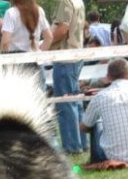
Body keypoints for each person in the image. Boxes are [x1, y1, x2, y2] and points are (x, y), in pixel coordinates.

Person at [50, 0, 88, 155]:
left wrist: (44, 45)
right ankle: (82, 142)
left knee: (66, 104)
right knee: (75, 102)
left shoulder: (65, 1)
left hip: (65, 57)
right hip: (76, 55)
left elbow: (62, 29)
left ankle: (72, 146)